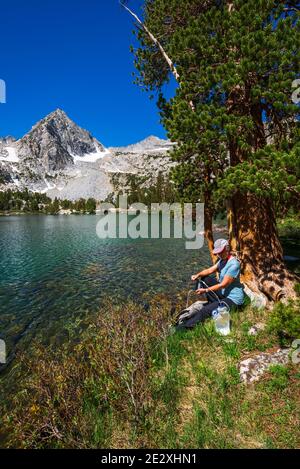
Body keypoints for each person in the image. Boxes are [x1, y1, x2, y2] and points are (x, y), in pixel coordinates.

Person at [177, 239, 245, 329]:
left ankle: (185, 328)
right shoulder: (222, 261)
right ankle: (213, 303)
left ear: (227, 248)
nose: (218, 255)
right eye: (217, 252)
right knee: (205, 279)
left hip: (233, 299)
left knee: (205, 311)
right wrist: (197, 275)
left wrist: (205, 290)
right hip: (224, 294)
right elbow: (209, 270)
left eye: (220, 252)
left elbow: (223, 285)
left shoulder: (234, 264)